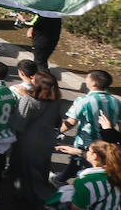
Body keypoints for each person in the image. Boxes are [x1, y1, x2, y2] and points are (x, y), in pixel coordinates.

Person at [14, 70, 65, 207]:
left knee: (29, 173)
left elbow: (19, 124)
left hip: (29, 141)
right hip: (47, 139)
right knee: (42, 170)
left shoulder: (28, 100)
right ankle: (38, 195)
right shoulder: (56, 101)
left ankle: (35, 199)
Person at [61, 70, 121, 181]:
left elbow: (71, 122)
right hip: (105, 144)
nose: (85, 80)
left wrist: (59, 131)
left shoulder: (83, 101)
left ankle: (74, 186)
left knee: (83, 165)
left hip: (86, 143)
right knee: (77, 164)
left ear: (93, 83)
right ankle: (61, 178)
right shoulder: (116, 101)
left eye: (87, 78)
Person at [57, 141, 121, 210]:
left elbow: (76, 208)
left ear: (95, 156)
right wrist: (77, 151)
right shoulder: (116, 174)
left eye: (88, 150)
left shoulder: (85, 181)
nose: (86, 152)